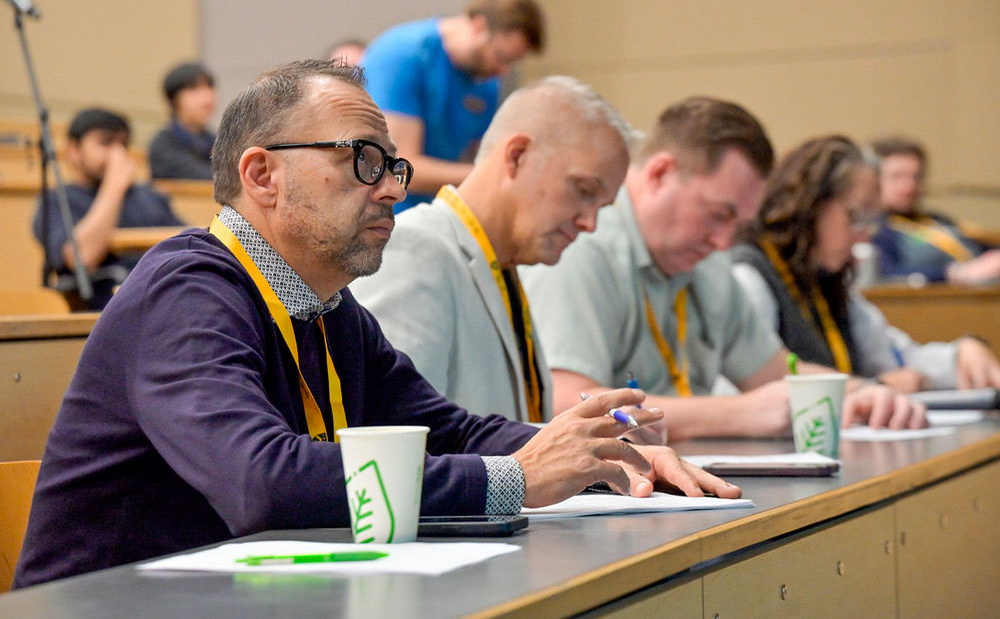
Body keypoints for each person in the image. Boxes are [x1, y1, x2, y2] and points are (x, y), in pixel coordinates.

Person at [14, 60, 739, 589]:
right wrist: (516, 479)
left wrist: (602, 457)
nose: (394, 186)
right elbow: (261, 481)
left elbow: (451, 429)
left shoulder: (325, 307)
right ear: (263, 175)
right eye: (364, 162)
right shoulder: (186, 287)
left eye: (392, 164)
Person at [521, 98, 927, 442]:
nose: (723, 242)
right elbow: (566, 404)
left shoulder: (706, 260)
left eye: (737, 224)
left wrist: (859, 392)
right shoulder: (583, 243)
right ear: (660, 173)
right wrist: (733, 414)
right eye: (717, 214)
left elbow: (775, 372)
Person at [352, 76, 635, 422]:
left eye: (602, 207)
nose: (590, 223)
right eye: (584, 190)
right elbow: (399, 441)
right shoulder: (415, 252)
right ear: (517, 156)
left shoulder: (505, 266)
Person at [731, 135, 1000, 393]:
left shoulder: (825, 278)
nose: (863, 236)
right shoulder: (749, 276)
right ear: (810, 205)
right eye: (856, 216)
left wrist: (961, 353)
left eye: (872, 220)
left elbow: (897, 355)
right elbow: (760, 381)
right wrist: (869, 389)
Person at [361, 0, 545, 212]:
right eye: (501, 57)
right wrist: (492, 175)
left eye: (512, 63)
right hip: (384, 215)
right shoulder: (402, 55)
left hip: (436, 215)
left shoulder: (486, 81)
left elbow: (479, 156)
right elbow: (400, 168)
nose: (504, 70)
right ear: (479, 26)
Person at [32, 108, 185, 310]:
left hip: (167, 298)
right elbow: (82, 257)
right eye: (105, 143)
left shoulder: (147, 196)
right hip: (106, 311)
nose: (117, 154)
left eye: (123, 145)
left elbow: (188, 241)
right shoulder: (57, 201)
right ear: (73, 150)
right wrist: (114, 186)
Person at [870, 136, 1000, 284]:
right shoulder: (875, 230)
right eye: (897, 177)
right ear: (873, 180)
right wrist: (955, 273)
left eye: (915, 177)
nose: (909, 186)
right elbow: (887, 273)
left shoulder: (937, 220)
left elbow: (981, 248)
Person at [148, 62, 218, 180]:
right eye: (194, 89)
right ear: (174, 100)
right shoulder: (163, 145)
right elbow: (205, 177)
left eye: (209, 87)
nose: (207, 98)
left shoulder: (214, 139)